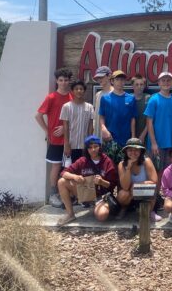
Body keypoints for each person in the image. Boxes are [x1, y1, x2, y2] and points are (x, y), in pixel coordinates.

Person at [56, 136, 119, 226]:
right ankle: (70, 214)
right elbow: (63, 173)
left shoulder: (108, 162)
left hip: (101, 196)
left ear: (100, 147)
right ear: (87, 149)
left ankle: (96, 207)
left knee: (102, 216)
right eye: (90, 147)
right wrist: (75, 176)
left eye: (95, 146)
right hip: (86, 192)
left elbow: (112, 185)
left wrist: (102, 182)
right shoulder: (82, 161)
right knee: (62, 182)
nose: (93, 149)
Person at [35, 68, 73, 207]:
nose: (63, 83)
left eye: (66, 80)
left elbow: (75, 118)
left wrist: (65, 128)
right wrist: (48, 131)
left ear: (69, 81)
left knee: (69, 167)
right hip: (56, 140)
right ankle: (53, 195)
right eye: (61, 80)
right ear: (57, 81)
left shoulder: (72, 97)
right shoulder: (51, 97)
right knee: (56, 166)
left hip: (70, 140)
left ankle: (68, 194)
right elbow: (38, 116)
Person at [116, 137, 162, 222]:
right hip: (130, 195)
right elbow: (125, 187)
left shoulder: (146, 161)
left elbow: (154, 181)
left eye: (136, 150)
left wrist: (137, 186)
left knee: (152, 189)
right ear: (126, 151)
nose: (133, 152)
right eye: (130, 150)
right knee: (122, 194)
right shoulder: (121, 164)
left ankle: (150, 211)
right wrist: (128, 168)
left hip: (145, 194)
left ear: (141, 151)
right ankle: (124, 208)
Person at [99, 70, 136, 162]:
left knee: (125, 166)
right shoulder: (105, 98)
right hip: (110, 139)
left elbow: (133, 119)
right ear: (112, 81)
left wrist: (133, 136)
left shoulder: (131, 98)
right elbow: (102, 116)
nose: (120, 82)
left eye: (122, 80)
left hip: (126, 139)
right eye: (118, 79)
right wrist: (103, 128)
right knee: (109, 167)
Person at [144, 71, 172, 171]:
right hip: (156, 144)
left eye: (168, 80)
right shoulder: (154, 99)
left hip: (169, 143)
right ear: (159, 83)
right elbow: (149, 122)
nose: (166, 83)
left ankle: (163, 188)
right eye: (163, 80)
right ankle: (155, 188)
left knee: (166, 172)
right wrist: (154, 143)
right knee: (154, 172)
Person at [60, 79, 94, 164]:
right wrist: (67, 144)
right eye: (76, 89)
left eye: (81, 89)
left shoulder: (89, 107)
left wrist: (89, 143)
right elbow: (66, 126)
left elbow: (90, 126)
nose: (79, 91)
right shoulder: (66, 107)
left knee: (84, 169)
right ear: (72, 91)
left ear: (84, 91)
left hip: (84, 145)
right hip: (71, 145)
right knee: (70, 169)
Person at [92, 66, 113, 139]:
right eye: (98, 78)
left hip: (110, 133)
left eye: (101, 77)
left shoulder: (115, 93)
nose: (99, 80)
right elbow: (95, 114)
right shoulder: (98, 94)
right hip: (97, 133)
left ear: (109, 76)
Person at [131, 74, 150, 141]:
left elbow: (150, 119)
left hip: (146, 135)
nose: (139, 86)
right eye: (137, 84)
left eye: (141, 84)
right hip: (129, 135)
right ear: (132, 86)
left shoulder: (148, 98)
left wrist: (143, 135)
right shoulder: (128, 98)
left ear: (144, 86)